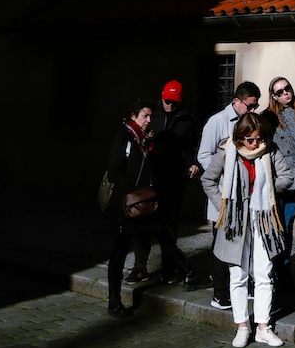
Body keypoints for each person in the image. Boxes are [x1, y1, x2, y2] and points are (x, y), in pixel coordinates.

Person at [200, 110, 293, 348]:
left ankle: (263, 326)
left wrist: (268, 189)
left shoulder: (270, 151)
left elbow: (286, 177)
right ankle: (242, 326)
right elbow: (207, 180)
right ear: (240, 138)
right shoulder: (227, 151)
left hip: (263, 218)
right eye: (251, 139)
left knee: (264, 272)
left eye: (260, 138)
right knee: (237, 274)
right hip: (235, 220)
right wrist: (223, 205)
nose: (256, 143)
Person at [104, 99, 187, 317]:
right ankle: (114, 300)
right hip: (126, 204)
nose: (149, 120)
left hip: (144, 203)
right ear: (133, 116)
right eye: (145, 116)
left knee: (164, 235)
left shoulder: (142, 139)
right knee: (120, 251)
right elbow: (114, 170)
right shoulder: (123, 137)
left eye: (150, 116)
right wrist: (134, 193)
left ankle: (187, 273)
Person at [197, 82, 261, 310]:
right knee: (221, 246)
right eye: (249, 106)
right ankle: (220, 293)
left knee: (243, 245)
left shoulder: (250, 121)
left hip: (244, 197)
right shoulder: (217, 122)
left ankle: (241, 286)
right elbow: (204, 155)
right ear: (237, 101)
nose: (252, 110)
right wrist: (225, 172)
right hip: (223, 195)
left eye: (255, 106)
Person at [132, 80, 200, 286]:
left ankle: (168, 270)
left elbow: (195, 142)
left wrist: (195, 162)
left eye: (174, 101)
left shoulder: (187, 117)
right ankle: (139, 268)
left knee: (169, 226)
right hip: (151, 176)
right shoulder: (152, 115)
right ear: (162, 96)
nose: (170, 104)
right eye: (167, 101)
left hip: (174, 178)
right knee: (143, 222)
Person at [266, 77, 295, 267]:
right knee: (278, 225)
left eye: (287, 88)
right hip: (280, 176)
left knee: (288, 223)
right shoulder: (269, 116)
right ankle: (276, 266)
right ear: (274, 96)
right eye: (279, 92)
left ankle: (283, 268)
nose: (285, 93)